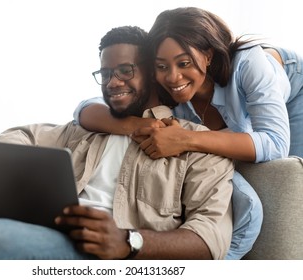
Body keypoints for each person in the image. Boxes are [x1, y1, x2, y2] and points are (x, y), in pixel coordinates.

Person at [0, 26, 234, 260]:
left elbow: (210, 240)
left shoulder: (198, 146)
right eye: (105, 73)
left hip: (121, 258)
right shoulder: (85, 130)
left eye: (125, 71)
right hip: (53, 240)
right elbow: (20, 136)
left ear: (152, 73)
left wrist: (129, 241)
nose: (113, 83)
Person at [73, 8, 270, 259]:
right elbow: (84, 108)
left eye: (183, 63)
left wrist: (187, 139)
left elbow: (273, 143)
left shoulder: (249, 64)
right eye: (162, 66)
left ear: (207, 56)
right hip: (220, 133)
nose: (173, 75)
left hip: (291, 99)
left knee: (250, 200)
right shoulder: (167, 86)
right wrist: (134, 125)